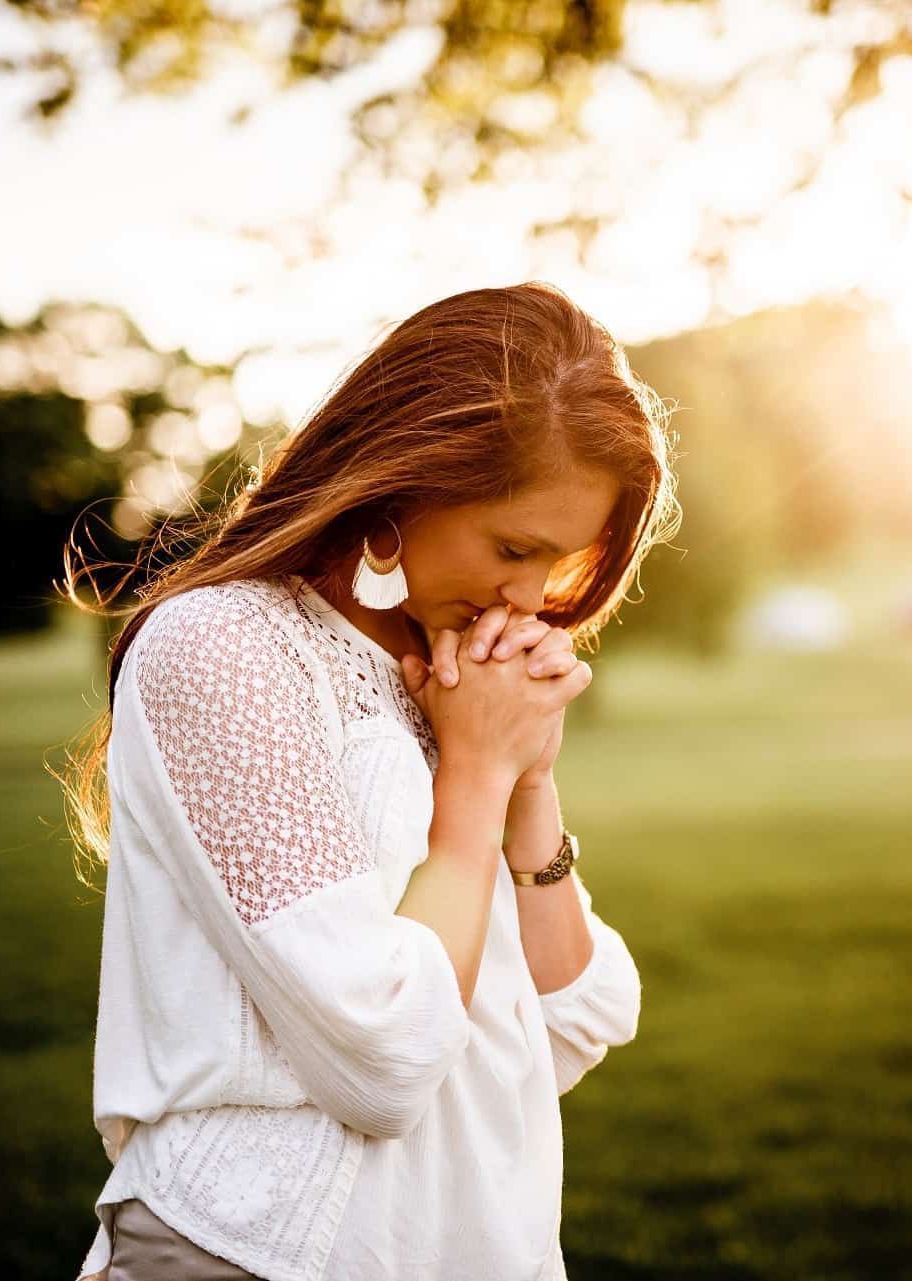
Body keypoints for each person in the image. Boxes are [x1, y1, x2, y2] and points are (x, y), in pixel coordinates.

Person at [58, 282, 682, 1280]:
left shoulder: (450, 673)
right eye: (513, 548)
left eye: (558, 562)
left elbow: (576, 1019)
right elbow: (387, 1056)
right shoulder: (225, 649)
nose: (531, 599)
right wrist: (475, 777)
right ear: (402, 484)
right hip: (249, 1254)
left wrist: (527, 780)